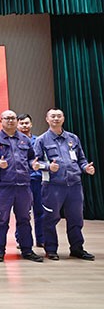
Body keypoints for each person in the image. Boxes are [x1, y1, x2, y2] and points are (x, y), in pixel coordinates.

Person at [33, 108, 96, 261]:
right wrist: (48, 167)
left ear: (63, 118)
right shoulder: (41, 140)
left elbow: (81, 159)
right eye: (53, 116)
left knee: (76, 218)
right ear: (47, 119)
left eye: (59, 116)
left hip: (74, 185)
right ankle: (51, 249)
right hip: (53, 186)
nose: (56, 118)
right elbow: (35, 163)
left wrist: (85, 168)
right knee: (50, 218)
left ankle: (77, 248)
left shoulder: (72, 138)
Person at [0, 110, 43, 262]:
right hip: (3, 187)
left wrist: (34, 164)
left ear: (16, 120)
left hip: (23, 185)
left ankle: (27, 250)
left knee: (24, 219)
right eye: (7, 118)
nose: (10, 121)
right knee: (0, 220)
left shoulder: (24, 139)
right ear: (1, 120)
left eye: (13, 118)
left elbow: (31, 158)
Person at [17, 113, 44, 248]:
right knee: (22, 212)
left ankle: (41, 239)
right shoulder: (14, 140)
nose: (24, 126)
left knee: (40, 211)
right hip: (22, 181)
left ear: (31, 124)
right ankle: (21, 240)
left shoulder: (38, 140)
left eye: (26, 123)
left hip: (37, 180)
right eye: (21, 123)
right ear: (17, 125)